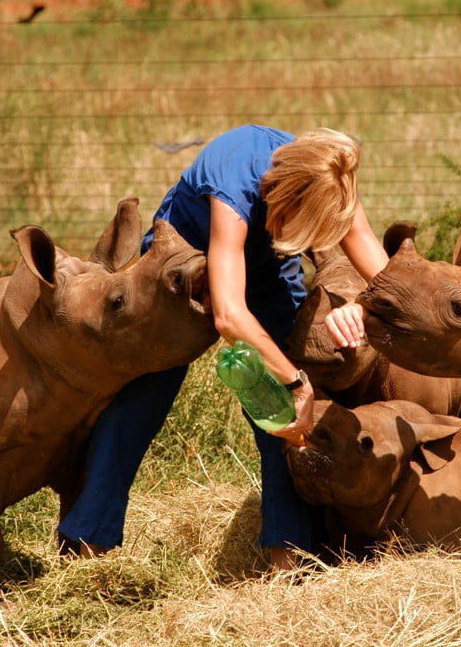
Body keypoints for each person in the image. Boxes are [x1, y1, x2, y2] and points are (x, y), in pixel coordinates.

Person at [57, 124, 389, 569]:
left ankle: (288, 558)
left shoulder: (328, 179)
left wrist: (367, 308)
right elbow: (229, 315)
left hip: (263, 262)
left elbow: (383, 273)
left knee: (282, 418)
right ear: (283, 198)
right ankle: (87, 546)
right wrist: (297, 381)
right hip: (183, 260)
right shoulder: (235, 178)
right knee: (143, 401)